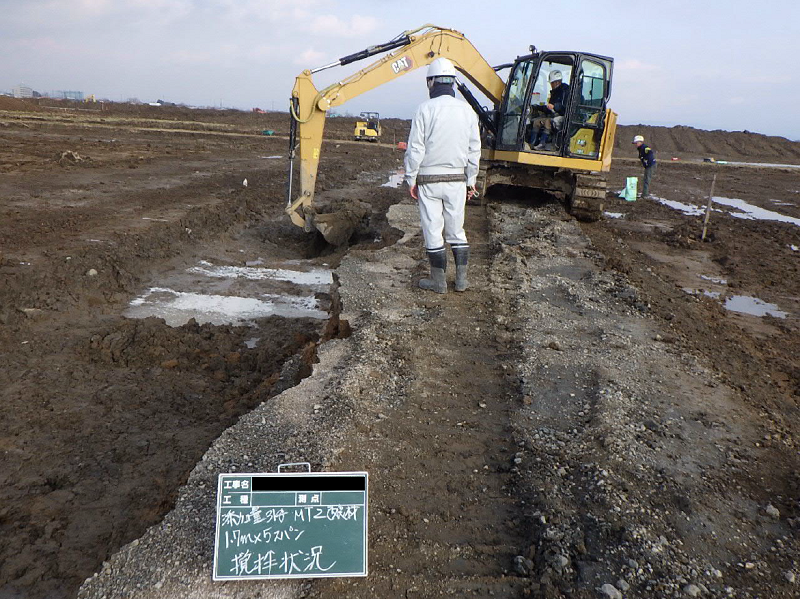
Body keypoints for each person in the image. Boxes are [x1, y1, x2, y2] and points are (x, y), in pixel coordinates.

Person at [404, 57, 481, 294]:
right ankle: (461, 281)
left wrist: (410, 178)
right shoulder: (468, 111)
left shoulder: (425, 109)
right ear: (453, 84)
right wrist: (471, 181)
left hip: (429, 180)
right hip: (457, 181)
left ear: (431, 83)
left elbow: (416, 148)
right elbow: (474, 150)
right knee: (456, 230)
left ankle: (438, 283)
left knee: (433, 230)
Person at [530, 70, 570, 150]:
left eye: (552, 83)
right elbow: (549, 108)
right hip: (555, 114)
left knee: (548, 122)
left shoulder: (566, 91)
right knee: (536, 122)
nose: (551, 85)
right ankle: (532, 143)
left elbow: (565, 107)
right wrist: (538, 107)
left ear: (557, 82)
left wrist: (555, 106)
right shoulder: (554, 93)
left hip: (564, 116)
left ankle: (542, 144)